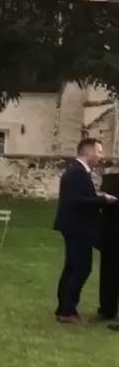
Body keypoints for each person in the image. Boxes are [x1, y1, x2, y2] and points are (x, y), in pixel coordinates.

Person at [54, 137, 116, 323]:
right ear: (88, 152)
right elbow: (76, 201)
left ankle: (64, 308)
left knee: (72, 267)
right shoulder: (77, 173)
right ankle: (67, 311)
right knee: (81, 268)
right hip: (78, 227)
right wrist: (103, 200)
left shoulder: (78, 171)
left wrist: (97, 196)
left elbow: (80, 197)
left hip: (75, 226)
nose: (101, 156)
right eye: (99, 151)